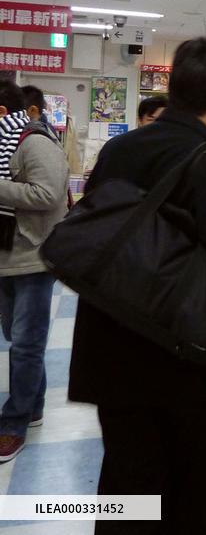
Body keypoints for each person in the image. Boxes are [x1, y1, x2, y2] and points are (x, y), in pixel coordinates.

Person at [68, 37, 206, 535]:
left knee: (127, 488)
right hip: (189, 355)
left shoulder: (119, 148)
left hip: (112, 346)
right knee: (193, 495)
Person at [0, 80, 69, 463]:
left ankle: (14, 423)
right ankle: (35, 404)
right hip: (7, 256)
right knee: (15, 336)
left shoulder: (35, 142)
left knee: (25, 343)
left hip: (33, 256)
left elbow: (48, 195)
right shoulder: (4, 144)